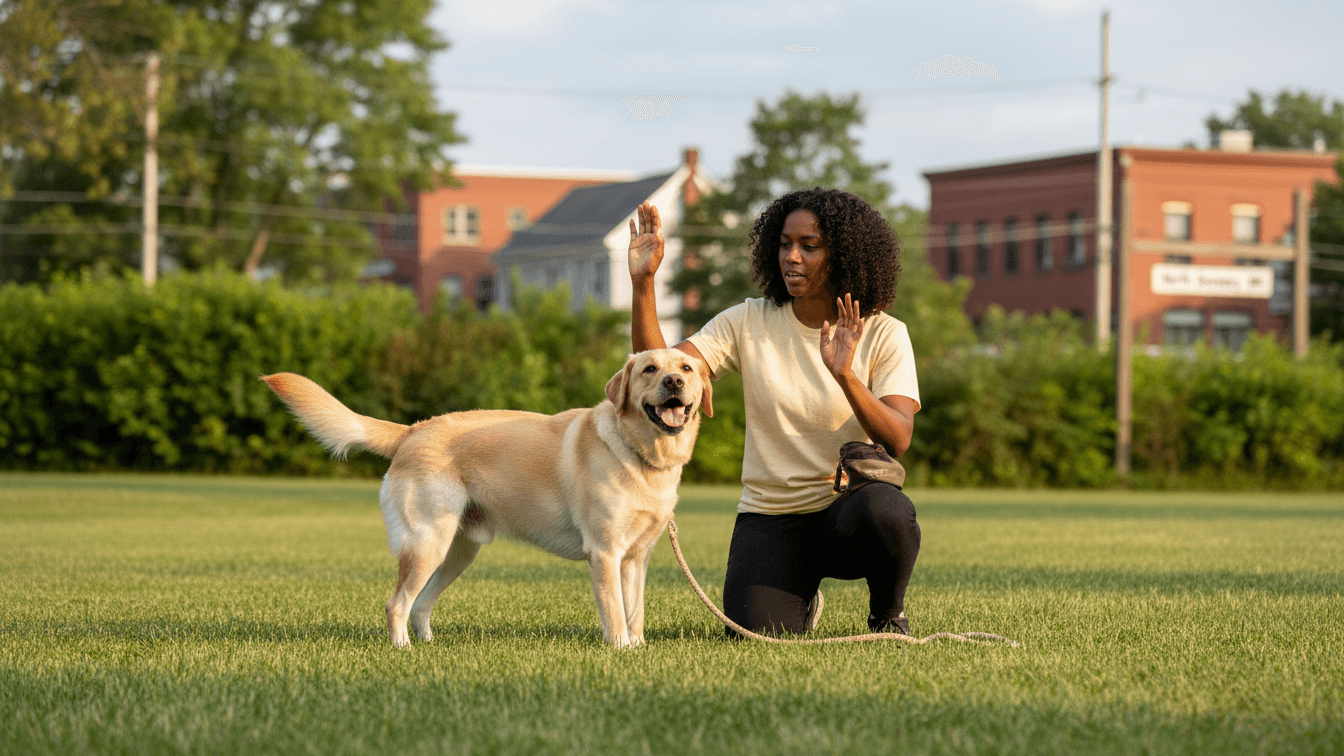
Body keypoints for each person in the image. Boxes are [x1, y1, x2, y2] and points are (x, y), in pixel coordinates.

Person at [628, 187, 921, 637]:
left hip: (848, 511)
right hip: (773, 516)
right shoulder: (748, 321)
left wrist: (846, 375)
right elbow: (660, 370)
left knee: (888, 510)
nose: (792, 257)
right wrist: (644, 283)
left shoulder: (884, 333)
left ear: (841, 252)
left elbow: (898, 439)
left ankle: (887, 614)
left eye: (809, 246)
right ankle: (799, 596)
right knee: (753, 635)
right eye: (785, 244)